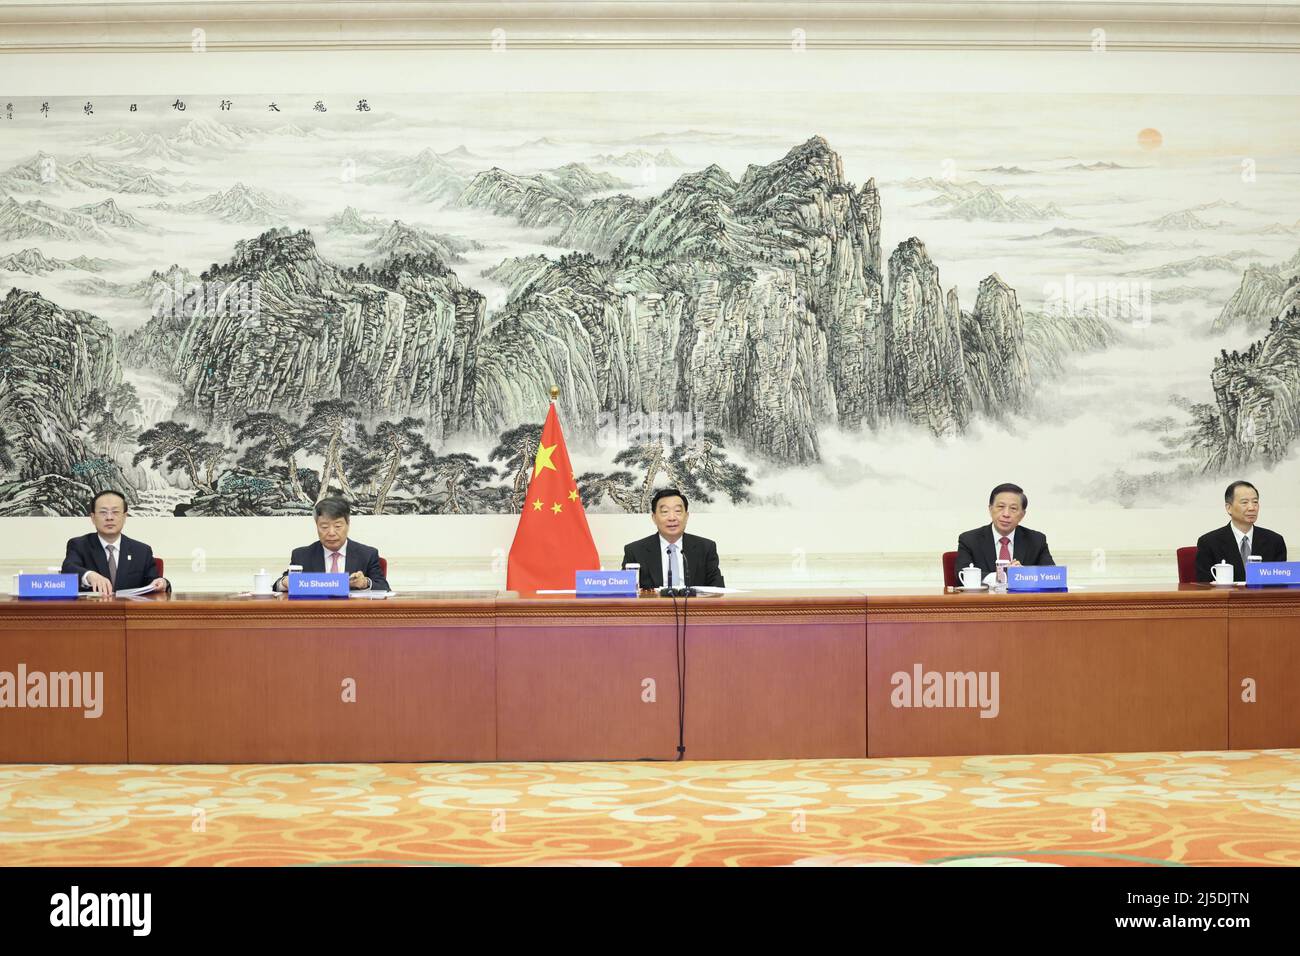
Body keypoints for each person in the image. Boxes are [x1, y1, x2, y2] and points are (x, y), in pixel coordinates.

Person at [62, 489, 169, 596]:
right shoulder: (79, 545)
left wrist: (163, 583)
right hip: (93, 611)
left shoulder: (141, 551)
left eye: (115, 512)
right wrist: (89, 575)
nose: (109, 518)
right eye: (103, 512)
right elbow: (68, 569)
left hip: (129, 611)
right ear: (93, 518)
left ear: (124, 517)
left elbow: (154, 583)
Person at [274, 497, 389, 591]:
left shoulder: (367, 554)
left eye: (338, 526)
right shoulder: (302, 555)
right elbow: (277, 586)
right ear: (316, 525)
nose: (331, 533)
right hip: (315, 616)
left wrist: (365, 583)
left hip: (352, 616)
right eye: (324, 527)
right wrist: (285, 582)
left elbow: (384, 588)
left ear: (348, 524)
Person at [621, 488, 725, 590]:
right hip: (654, 607)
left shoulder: (706, 548)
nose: (672, 518)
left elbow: (718, 590)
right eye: (665, 511)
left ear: (687, 516)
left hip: (695, 607)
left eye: (678, 511)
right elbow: (625, 592)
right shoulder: (635, 551)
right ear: (654, 517)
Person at [956, 482, 1055, 585]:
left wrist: (1023, 574)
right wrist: (1002, 577)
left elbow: (1052, 576)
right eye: (1000, 506)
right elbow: (962, 575)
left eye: (1013, 508)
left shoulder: (1036, 540)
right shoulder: (969, 540)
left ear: (1022, 515)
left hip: (1022, 600)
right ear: (990, 509)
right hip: (984, 600)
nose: (1006, 514)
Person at [1195, 480, 1286, 583]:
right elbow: (1204, 586)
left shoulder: (1275, 541)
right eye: (1244, 502)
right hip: (1227, 598)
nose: (1252, 508)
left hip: (1263, 598)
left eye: (1255, 502)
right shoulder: (1208, 543)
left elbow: (1280, 584)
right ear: (1229, 508)